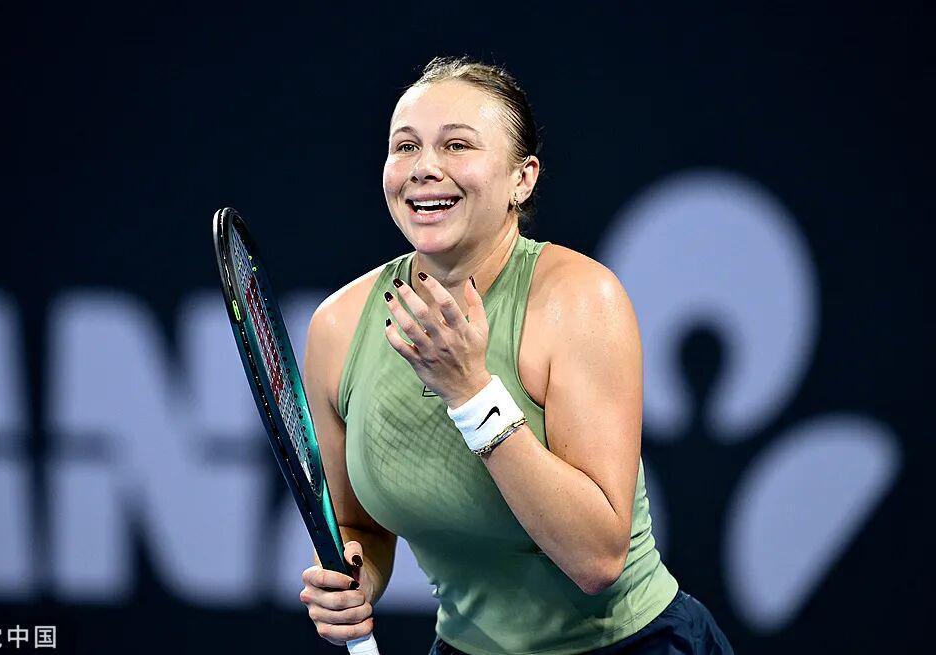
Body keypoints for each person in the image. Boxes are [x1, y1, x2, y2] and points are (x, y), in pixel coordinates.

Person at [298, 56, 734, 655]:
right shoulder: (338, 328)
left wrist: (472, 393)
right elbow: (359, 528)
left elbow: (596, 559)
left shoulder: (581, 300)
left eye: (457, 145)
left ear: (521, 180)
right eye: (405, 146)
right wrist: (356, 581)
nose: (424, 168)